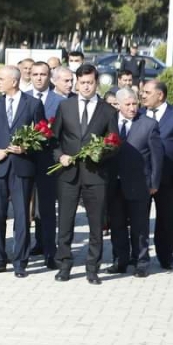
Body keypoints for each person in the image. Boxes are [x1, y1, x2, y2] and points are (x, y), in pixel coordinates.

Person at [50, 63, 120, 284]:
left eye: (90, 83)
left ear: (96, 83)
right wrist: (59, 156)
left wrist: (100, 154)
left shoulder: (108, 110)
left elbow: (114, 142)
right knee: (66, 222)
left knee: (96, 223)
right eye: (82, 83)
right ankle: (64, 264)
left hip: (95, 175)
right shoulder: (65, 106)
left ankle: (92, 267)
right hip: (68, 174)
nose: (86, 87)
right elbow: (53, 139)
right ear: (76, 83)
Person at [0, 65, 44, 277]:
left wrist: (27, 147)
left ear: (14, 81)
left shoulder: (33, 104)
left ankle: (21, 262)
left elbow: (42, 134)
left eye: (0, 79)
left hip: (22, 166)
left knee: (21, 216)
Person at [107, 88, 162, 278]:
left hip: (139, 184)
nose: (132, 108)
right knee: (117, 224)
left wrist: (154, 182)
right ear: (119, 105)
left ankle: (141, 262)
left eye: (134, 104)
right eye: (127, 105)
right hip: (114, 184)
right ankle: (120, 260)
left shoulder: (149, 124)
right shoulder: (110, 121)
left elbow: (157, 157)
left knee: (140, 226)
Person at [140, 79, 173, 270]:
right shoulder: (138, 114)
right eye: (143, 92)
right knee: (140, 218)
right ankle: (139, 255)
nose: (143, 96)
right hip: (143, 177)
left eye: (147, 92)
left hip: (168, 178)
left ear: (160, 95)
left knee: (167, 219)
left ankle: (165, 256)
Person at [26, 61, 64, 268]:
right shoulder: (22, 97)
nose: (39, 78)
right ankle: (29, 245)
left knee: (45, 208)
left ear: (49, 77)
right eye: (35, 74)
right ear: (29, 76)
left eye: (43, 74)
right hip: (23, 159)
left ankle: (49, 249)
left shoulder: (60, 102)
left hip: (47, 160)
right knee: (25, 208)